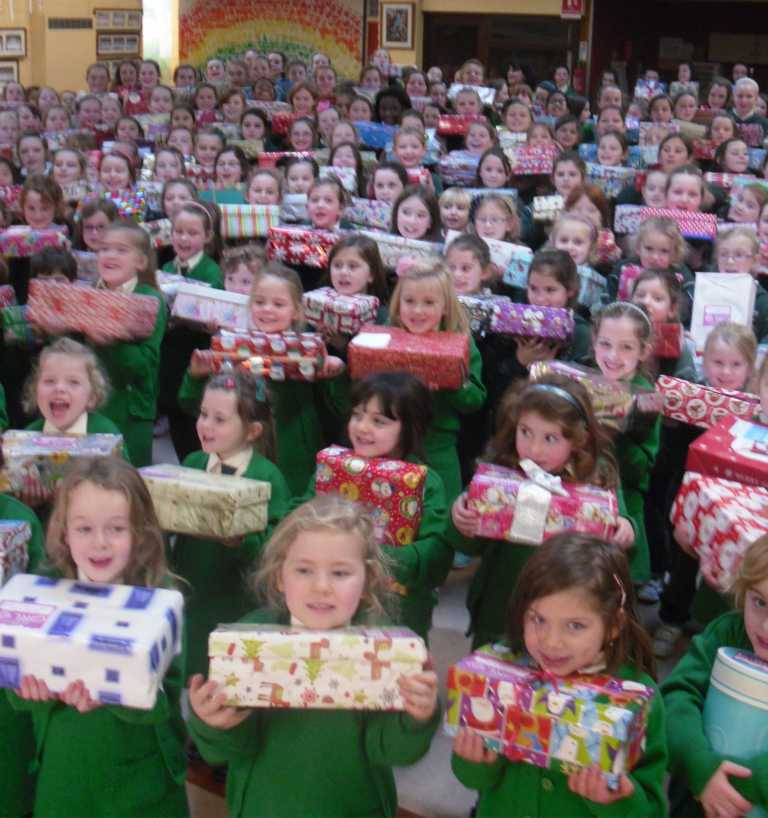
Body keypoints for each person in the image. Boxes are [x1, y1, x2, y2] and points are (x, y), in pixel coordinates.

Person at [187, 494, 440, 818]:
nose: (321, 586)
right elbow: (225, 750)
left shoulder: (384, 650)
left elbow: (394, 750)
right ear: (280, 576)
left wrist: (417, 716)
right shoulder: (248, 642)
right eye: (304, 570)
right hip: (264, 808)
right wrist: (210, 722)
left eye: (340, 573)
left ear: (367, 581)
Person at [9, 457, 189, 818]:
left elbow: (166, 699)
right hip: (65, 769)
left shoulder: (161, 597)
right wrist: (30, 693)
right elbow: (16, 678)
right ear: (64, 532)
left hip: (140, 779)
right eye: (84, 529)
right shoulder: (46, 589)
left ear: (140, 532)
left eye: (116, 529)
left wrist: (114, 693)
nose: (100, 543)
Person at [451, 533, 668, 818]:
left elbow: (652, 810)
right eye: (538, 619)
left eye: (575, 626)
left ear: (614, 625)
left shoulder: (639, 698)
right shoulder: (498, 678)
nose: (551, 642)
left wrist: (617, 800)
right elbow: (471, 778)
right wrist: (475, 761)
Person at [449, 376, 634, 648]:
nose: (534, 449)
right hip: (501, 605)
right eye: (525, 432)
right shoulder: (500, 470)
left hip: (569, 608)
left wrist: (625, 528)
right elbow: (469, 543)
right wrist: (461, 518)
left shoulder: (597, 476)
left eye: (550, 438)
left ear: (578, 439)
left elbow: (619, 525)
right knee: (493, 661)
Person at [297, 372, 451, 639]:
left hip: (398, 610)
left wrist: (377, 557)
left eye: (379, 421)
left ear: (410, 426)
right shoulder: (332, 470)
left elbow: (436, 552)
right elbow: (300, 514)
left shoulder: (426, 482)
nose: (362, 427)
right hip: (332, 599)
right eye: (357, 415)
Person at [169, 369, 291, 677]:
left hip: (237, 595)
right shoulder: (193, 462)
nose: (205, 425)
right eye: (203, 414)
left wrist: (243, 540)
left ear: (252, 431)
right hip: (192, 587)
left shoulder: (267, 476)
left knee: (229, 669)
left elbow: (277, 544)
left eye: (219, 419)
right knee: (194, 668)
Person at [662, 534, 768, 817]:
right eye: (759, 602)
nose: (766, 627)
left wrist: (736, 785)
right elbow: (676, 696)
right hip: (694, 802)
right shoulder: (728, 632)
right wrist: (700, 766)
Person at [386, 257, 486, 505]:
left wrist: (451, 383)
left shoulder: (462, 345)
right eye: (409, 301)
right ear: (398, 304)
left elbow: (475, 399)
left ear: (445, 307)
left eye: (429, 303)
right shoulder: (386, 340)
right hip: (389, 447)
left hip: (438, 451)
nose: (417, 311)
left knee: (442, 514)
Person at [86, 220, 166, 467]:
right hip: (93, 407)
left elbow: (145, 366)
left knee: (129, 478)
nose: (110, 255)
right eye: (104, 249)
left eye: (121, 250)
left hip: (132, 412)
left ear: (141, 262)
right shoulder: (89, 296)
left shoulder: (150, 300)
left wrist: (113, 341)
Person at [160, 202, 223, 461]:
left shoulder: (213, 271)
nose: (184, 239)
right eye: (178, 232)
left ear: (207, 236)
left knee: (193, 416)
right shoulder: (165, 269)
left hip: (196, 350)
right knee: (174, 413)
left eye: (192, 233)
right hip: (170, 353)